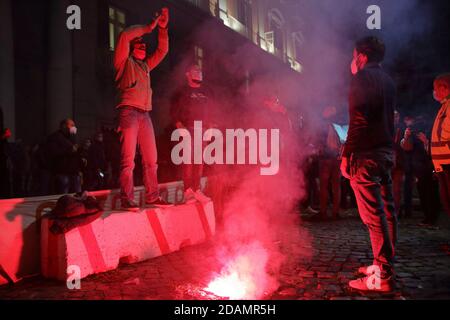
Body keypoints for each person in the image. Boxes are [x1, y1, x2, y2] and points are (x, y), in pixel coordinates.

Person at [340, 36, 397, 292]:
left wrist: (346, 154)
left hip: (366, 155)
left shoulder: (361, 79)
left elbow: (358, 120)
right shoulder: (388, 80)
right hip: (385, 152)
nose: (352, 60)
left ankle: (382, 274)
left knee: (374, 217)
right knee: (386, 212)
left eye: (354, 55)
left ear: (361, 56)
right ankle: (384, 265)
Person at [113, 8, 171, 211]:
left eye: (145, 46)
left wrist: (163, 29)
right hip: (128, 112)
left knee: (151, 160)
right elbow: (124, 35)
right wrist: (148, 28)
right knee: (128, 160)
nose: (143, 47)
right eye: (139, 45)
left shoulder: (146, 67)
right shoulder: (123, 62)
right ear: (131, 48)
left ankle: (152, 196)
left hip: (145, 114)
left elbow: (162, 51)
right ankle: (126, 198)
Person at [170, 64, 213, 203]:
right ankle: (188, 191)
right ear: (187, 74)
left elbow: (211, 110)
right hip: (187, 128)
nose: (199, 72)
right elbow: (174, 109)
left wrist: (210, 126)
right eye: (195, 70)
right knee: (188, 161)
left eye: (200, 70)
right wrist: (178, 124)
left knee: (199, 161)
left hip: (202, 130)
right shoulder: (182, 92)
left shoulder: (206, 92)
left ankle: (197, 190)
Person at [401, 115, 440, 225]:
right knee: (423, 193)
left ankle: (432, 217)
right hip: (418, 168)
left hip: (430, 167)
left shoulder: (430, 130)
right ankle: (427, 217)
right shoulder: (410, 133)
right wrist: (407, 137)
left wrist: (426, 142)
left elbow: (432, 151)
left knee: (431, 194)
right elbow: (406, 147)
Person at [315, 106, 343, 221]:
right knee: (336, 186)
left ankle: (323, 211)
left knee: (324, 186)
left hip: (326, 159)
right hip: (336, 158)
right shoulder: (339, 125)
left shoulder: (323, 125)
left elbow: (319, 142)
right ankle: (335, 212)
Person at [430, 73, 450, 217]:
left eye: (435, 88)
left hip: (448, 161)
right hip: (441, 162)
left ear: (444, 88)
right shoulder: (444, 106)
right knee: (446, 198)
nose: (434, 92)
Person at [47, 119, 83, 194]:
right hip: (63, 172)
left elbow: (76, 153)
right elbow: (53, 153)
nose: (74, 128)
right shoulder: (55, 137)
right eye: (72, 125)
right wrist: (69, 150)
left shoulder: (72, 138)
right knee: (64, 194)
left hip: (74, 172)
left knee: (77, 194)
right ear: (64, 126)